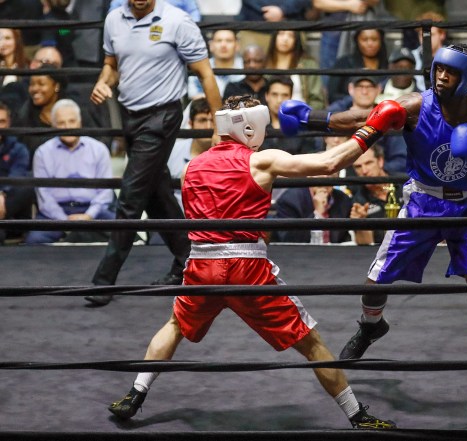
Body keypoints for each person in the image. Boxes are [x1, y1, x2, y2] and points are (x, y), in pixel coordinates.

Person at [107, 95, 404, 429]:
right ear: (251, 124)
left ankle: (135, 393)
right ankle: (357, 415)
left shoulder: (190, 168)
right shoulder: (260, 161)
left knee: (176, 324)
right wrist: (374, 128)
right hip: (246, 268)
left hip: (201, 266)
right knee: (311, 343)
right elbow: (328, 164)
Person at [279, 43, 467, 419]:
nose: (441, 77)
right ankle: (371, 327)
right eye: (438, 69)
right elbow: (363, 119)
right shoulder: (416, 107)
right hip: (423, 202)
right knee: (375, 282)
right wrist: (309, 118)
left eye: (450, 73)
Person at [84, 0, 222, 307]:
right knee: (156, 194)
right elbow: (111, 65)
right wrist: (102, 83)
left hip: (162, 116)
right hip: (130, 116)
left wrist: (219, 124)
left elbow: (205, 73)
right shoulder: (113, 20)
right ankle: (191, 261)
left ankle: (103, 281)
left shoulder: (178, 21)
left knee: (131, 197)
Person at [25, 99, 116, 244]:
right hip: (55, 214)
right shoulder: (43, 153)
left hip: (94, 211)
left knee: (126, 236)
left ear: (80, 123)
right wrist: (65, 221)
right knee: (34, 241)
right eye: (61, 123)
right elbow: (44, 197)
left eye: (72, 121)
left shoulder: (98, 149)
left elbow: (105, 193)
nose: (67, 127)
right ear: (54, 125)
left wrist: (88, 216)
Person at [328, 75, 407, 175]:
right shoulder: (336, 115)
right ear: (350, 89)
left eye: (370, 87)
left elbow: (401, 159)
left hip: (378, 177)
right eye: (360, 87)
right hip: (339, 174)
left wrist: (377, 169)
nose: (364, 92)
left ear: (379, 89)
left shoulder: (389, 118)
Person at [349, 144, 402, 245]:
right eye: (358, 167)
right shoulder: (358, 201)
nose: (364, 171)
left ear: (380, 161)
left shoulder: (405, 183)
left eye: (368, 163)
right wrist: (360, 223)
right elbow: (366, 244)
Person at [167, 97, 214, 210]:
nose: (208, 126)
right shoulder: (172, 151)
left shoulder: (227, 155)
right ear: (190, 123)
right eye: (202, 120)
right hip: (176, 222)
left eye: (213, 121)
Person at [265, 30, 325, 110]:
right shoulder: (263, 65)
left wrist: (305, 116)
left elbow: (317, 100)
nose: (285, 39)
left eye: (291, 35)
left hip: (302, 118)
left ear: (296, 40)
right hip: (269, 118)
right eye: (281, 34)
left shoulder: (309, 65)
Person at [327, 29, 388, 105]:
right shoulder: (343, 63)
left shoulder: (389, 65)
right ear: (357, 41)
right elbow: (332, 95)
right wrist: (358, 100)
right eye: (364, 39)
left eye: (374, 39)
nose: (370, 43)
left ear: (381, 41)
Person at [0, 101, 33, 245]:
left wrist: (1, 194)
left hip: (8, 203)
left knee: (27, 184)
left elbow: (16, 176)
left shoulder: (19, 149)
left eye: (1, 121)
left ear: (8, 123)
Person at [261, 75, 320, 154]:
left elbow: (309, 157)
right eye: (274, 94)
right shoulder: (256, 125)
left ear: (291, 97)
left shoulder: (302, 126)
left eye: (284, 95)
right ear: (266, 96)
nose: (279, 100)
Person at [188, 29, 244, 100]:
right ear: (211, 45)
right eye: (219, 41)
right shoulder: (199, 66)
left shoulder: (247, 67)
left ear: (237, 46)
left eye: (229, 41)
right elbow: (194, 94)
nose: (223, 45)